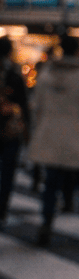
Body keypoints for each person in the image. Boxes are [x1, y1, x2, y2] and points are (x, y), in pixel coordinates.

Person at [29, 36, 79, 245]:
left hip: (51, 134)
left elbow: (37, 105)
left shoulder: (46, 74)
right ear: (78, 51)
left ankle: (46, 224)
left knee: (51, 183)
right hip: (78, 135)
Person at [0, 36, 31, 227]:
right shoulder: (14, 74)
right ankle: (2, 209)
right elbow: (23, 104)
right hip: (11, 130)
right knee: (7, 172)